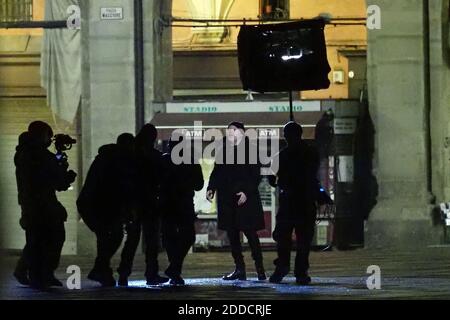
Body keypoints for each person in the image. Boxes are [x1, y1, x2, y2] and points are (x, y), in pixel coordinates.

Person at [15, 121, 77, 289]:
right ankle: (41, 275)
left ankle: (33, 273)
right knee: (50, 239)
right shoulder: (38, 155)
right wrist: (67, 175)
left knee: (37, 240)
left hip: (33, 204)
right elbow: (58, 181)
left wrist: (57, 157)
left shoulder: (25, 152)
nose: (50, 140)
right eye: (48, 136)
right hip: (42, 205)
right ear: (42, 135)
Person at [207, 122, 266, 281]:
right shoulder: (223, 151)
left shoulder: (251, 150)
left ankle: (260, 269)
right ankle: (239, 268)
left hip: (245, 199)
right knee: (233, 235)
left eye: (234, 131)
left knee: (250, 233)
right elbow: (216, 172)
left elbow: (256, 175)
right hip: (227, 199)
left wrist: (246, 191)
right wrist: (211, 188)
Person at [77, 133, 138, 287]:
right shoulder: (117, 161)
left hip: (95, 205)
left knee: (106, 239)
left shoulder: (106, 158)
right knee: (112, 236)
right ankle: (101, 270)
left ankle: (102, 272)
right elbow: (119, 187)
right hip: (103, 206)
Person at [268, 122, 320, 285]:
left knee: (283, 237)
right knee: (304, 239)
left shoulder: (282, 155)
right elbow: (313, 174)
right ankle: (301, 272)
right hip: (305, 201)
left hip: (289, 202)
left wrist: (280, 182)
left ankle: (282, 267)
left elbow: (271, 178)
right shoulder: (311, 153)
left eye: (285, 133)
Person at [160, 136, 204, 285]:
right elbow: (199, 184)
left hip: (166, 204)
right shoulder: (190, 160)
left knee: (169, 238)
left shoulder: (163, 160)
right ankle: (175, 270)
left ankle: (174, 269)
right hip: (184, 204)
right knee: (188, 236)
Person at [134, 124, 168, 285]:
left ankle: (124, 273)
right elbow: (162, 178)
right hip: (150, 202)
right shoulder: (154, 156)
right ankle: (151, 273)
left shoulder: (133, 155)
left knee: (133, 240)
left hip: (136, 200)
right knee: (151, 240)